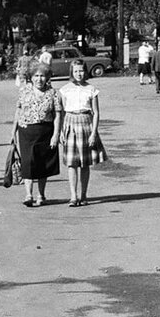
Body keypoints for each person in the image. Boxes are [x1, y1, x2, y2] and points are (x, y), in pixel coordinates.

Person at [55, 59, 104, 207]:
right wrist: (62, 131)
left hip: (86, 124)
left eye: (81, 70)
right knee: (72, 162)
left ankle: (83, 195)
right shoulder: (64, 90)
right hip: (70, 123)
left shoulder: (91, 89)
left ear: (85, 71)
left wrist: (93, 133)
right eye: (76, 71)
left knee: (84, 163)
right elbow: (61, 112)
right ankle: (73, 195)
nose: (79, 74)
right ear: (71, 72)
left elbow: (96, 112)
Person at [13, 62, 59, 207]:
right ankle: (28, 194)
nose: (39, 79)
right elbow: (18, 111)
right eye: (36, 76)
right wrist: (13, 131)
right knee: (28, 163)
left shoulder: (53, 93)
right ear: (31, 77)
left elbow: (58, 114)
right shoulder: (24, 91)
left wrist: (56, 134)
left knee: (43, 164)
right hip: (26, 131)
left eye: (42, 76)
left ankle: (41, 194)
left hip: (46, 131)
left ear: (47, 78)